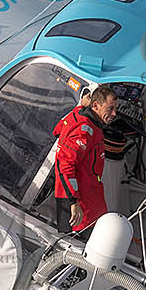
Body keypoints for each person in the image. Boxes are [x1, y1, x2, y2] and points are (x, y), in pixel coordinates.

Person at [53, 85, 118, 234]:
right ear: (95, 105)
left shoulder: (81, 117)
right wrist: (73, 201)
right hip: (81, 208)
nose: (114, 113)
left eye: (116, 109)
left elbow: (57, 130)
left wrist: (81, 105)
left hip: (92, 201)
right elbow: (64, 165)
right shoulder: (84, 130)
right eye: (110, 109)